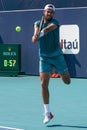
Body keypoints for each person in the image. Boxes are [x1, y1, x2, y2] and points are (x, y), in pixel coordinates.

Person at [32, 4, 71, 124]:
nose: (49, 13)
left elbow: (49, 29)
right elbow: (34, 38)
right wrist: (35, 36)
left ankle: (61, 72)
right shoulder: (37, 23)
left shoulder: (55, 22)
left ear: (53, 14)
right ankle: (47, 113)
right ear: (44, 12)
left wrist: (42, 33)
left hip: (57, 56)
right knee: (43, 84)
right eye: (47, 11)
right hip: (44, 57)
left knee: (67, 81)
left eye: (51, 12)